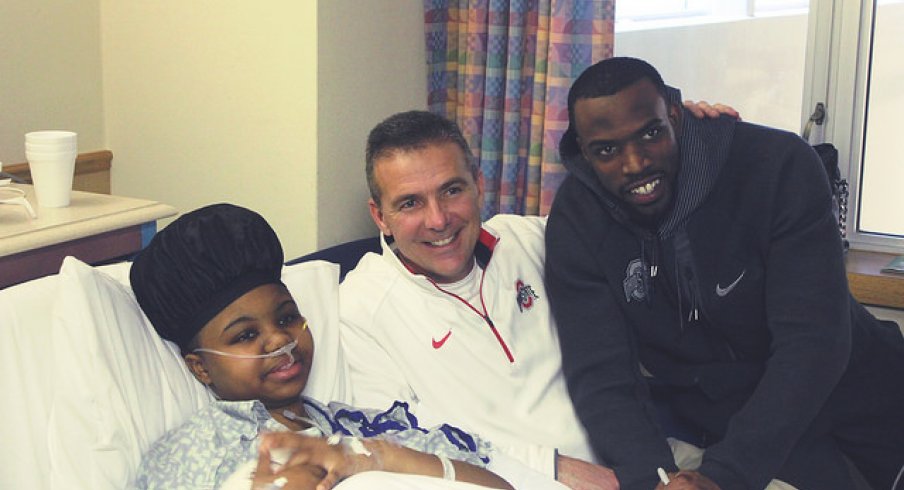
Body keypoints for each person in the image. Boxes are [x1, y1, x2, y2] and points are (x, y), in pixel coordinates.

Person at [545, 56, 904, 490]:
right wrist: (655, 479)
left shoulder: (777, 166)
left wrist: (724, 476)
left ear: (674, 116)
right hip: (742, 431)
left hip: (863, 396)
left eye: (651, 134)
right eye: (606, 150)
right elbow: (601, 373)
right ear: (581, 150)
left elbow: (814, 343)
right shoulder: (577, 220)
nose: (635, 163)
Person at [339, 105, 735, 490]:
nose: (439, 219)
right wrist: (548, 466)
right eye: (410, 203)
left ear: (478, 185)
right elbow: (396, 439)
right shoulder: (359, 307)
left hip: (639, 455)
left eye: (451, 190)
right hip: (519, 481)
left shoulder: (530, 239)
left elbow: (643, 223)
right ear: (379, 215)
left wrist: (687, 141)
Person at [128, 203, 513, 490]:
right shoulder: (197, 448)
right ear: (200, 368)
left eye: (286, 318)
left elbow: (498, 485)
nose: (280, 339)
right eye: (245, 335)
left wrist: (378, 457)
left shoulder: (355, 424)